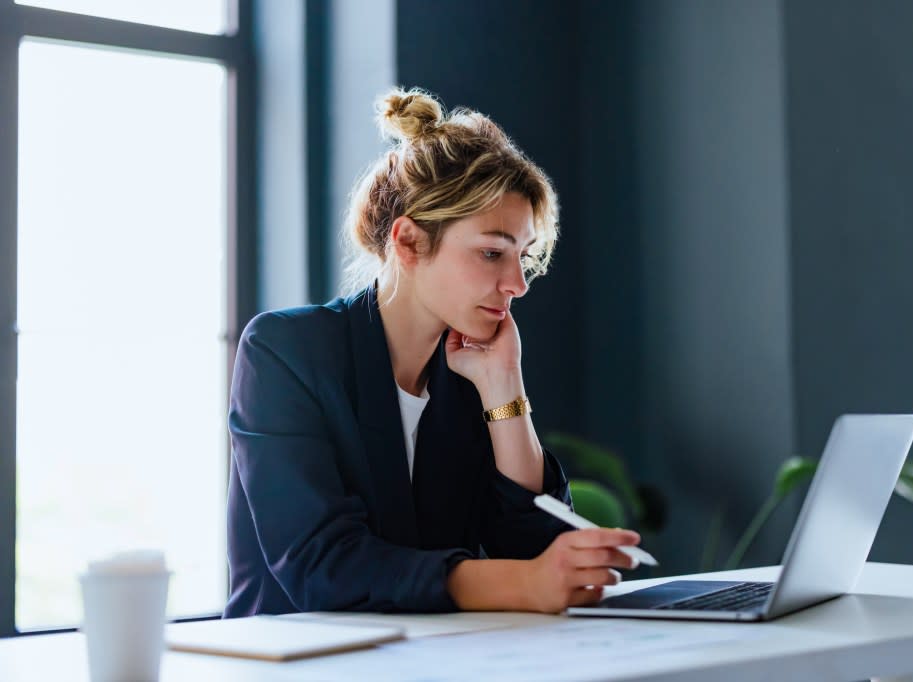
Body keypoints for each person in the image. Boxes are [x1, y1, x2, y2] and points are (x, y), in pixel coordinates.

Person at [224, 88, 639, 618]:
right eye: (492, 253)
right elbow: (322, 567)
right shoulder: (285, 353)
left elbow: (536, 552)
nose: (517, 284)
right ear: (408, 242)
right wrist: (525, 582)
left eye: (524, 257)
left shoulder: (466, 371)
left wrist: (504, 388)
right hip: (294, 661)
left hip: (428, 659)